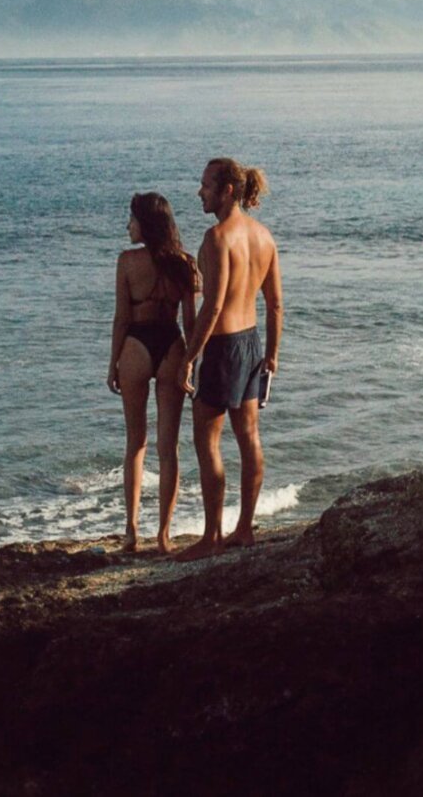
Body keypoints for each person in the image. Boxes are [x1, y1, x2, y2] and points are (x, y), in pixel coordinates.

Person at [176, 158, 283, 562]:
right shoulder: (264, 236)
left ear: (227, 192)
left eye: (205, 185)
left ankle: (211, 537)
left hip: (221, 347)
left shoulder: (217, 237)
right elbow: (274, 304)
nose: (199, 191)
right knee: (250, 437)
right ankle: (244, 530)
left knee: (208, 442)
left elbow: (214, 306)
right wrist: (271, 354)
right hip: (251, 342)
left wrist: (190, 357)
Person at [108, 193, 197, 553]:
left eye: (131, 219)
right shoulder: (186, 263)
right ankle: (163, 534)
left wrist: (111, 362)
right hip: (171, 345)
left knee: (135, 442)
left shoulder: (127, 262)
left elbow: (121, 318)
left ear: (146, 223)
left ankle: (131, 531)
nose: (128, 225)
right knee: (168, 447)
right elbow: (190, 323)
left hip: (136, 346)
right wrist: (191, 362)